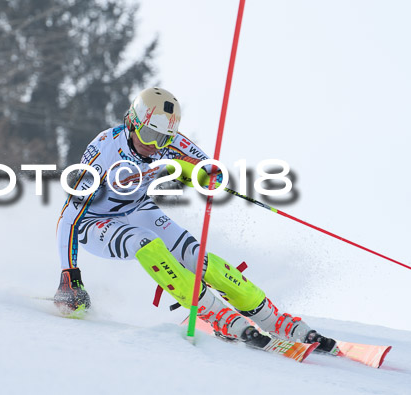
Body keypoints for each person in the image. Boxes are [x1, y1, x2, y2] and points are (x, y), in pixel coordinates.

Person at [54, 87, 338, 353]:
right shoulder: (102, 154)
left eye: (163, 139)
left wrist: (208, 178)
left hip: (138, 208)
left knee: (195, 256)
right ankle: (215, 313)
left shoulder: (171, 142)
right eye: (148, 135)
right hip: (95, 222)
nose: (154, 146)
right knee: (146, 243)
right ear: (131, 122)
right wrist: (70, 276)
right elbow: (69, 218)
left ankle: (271, 318)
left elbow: (206, 169)